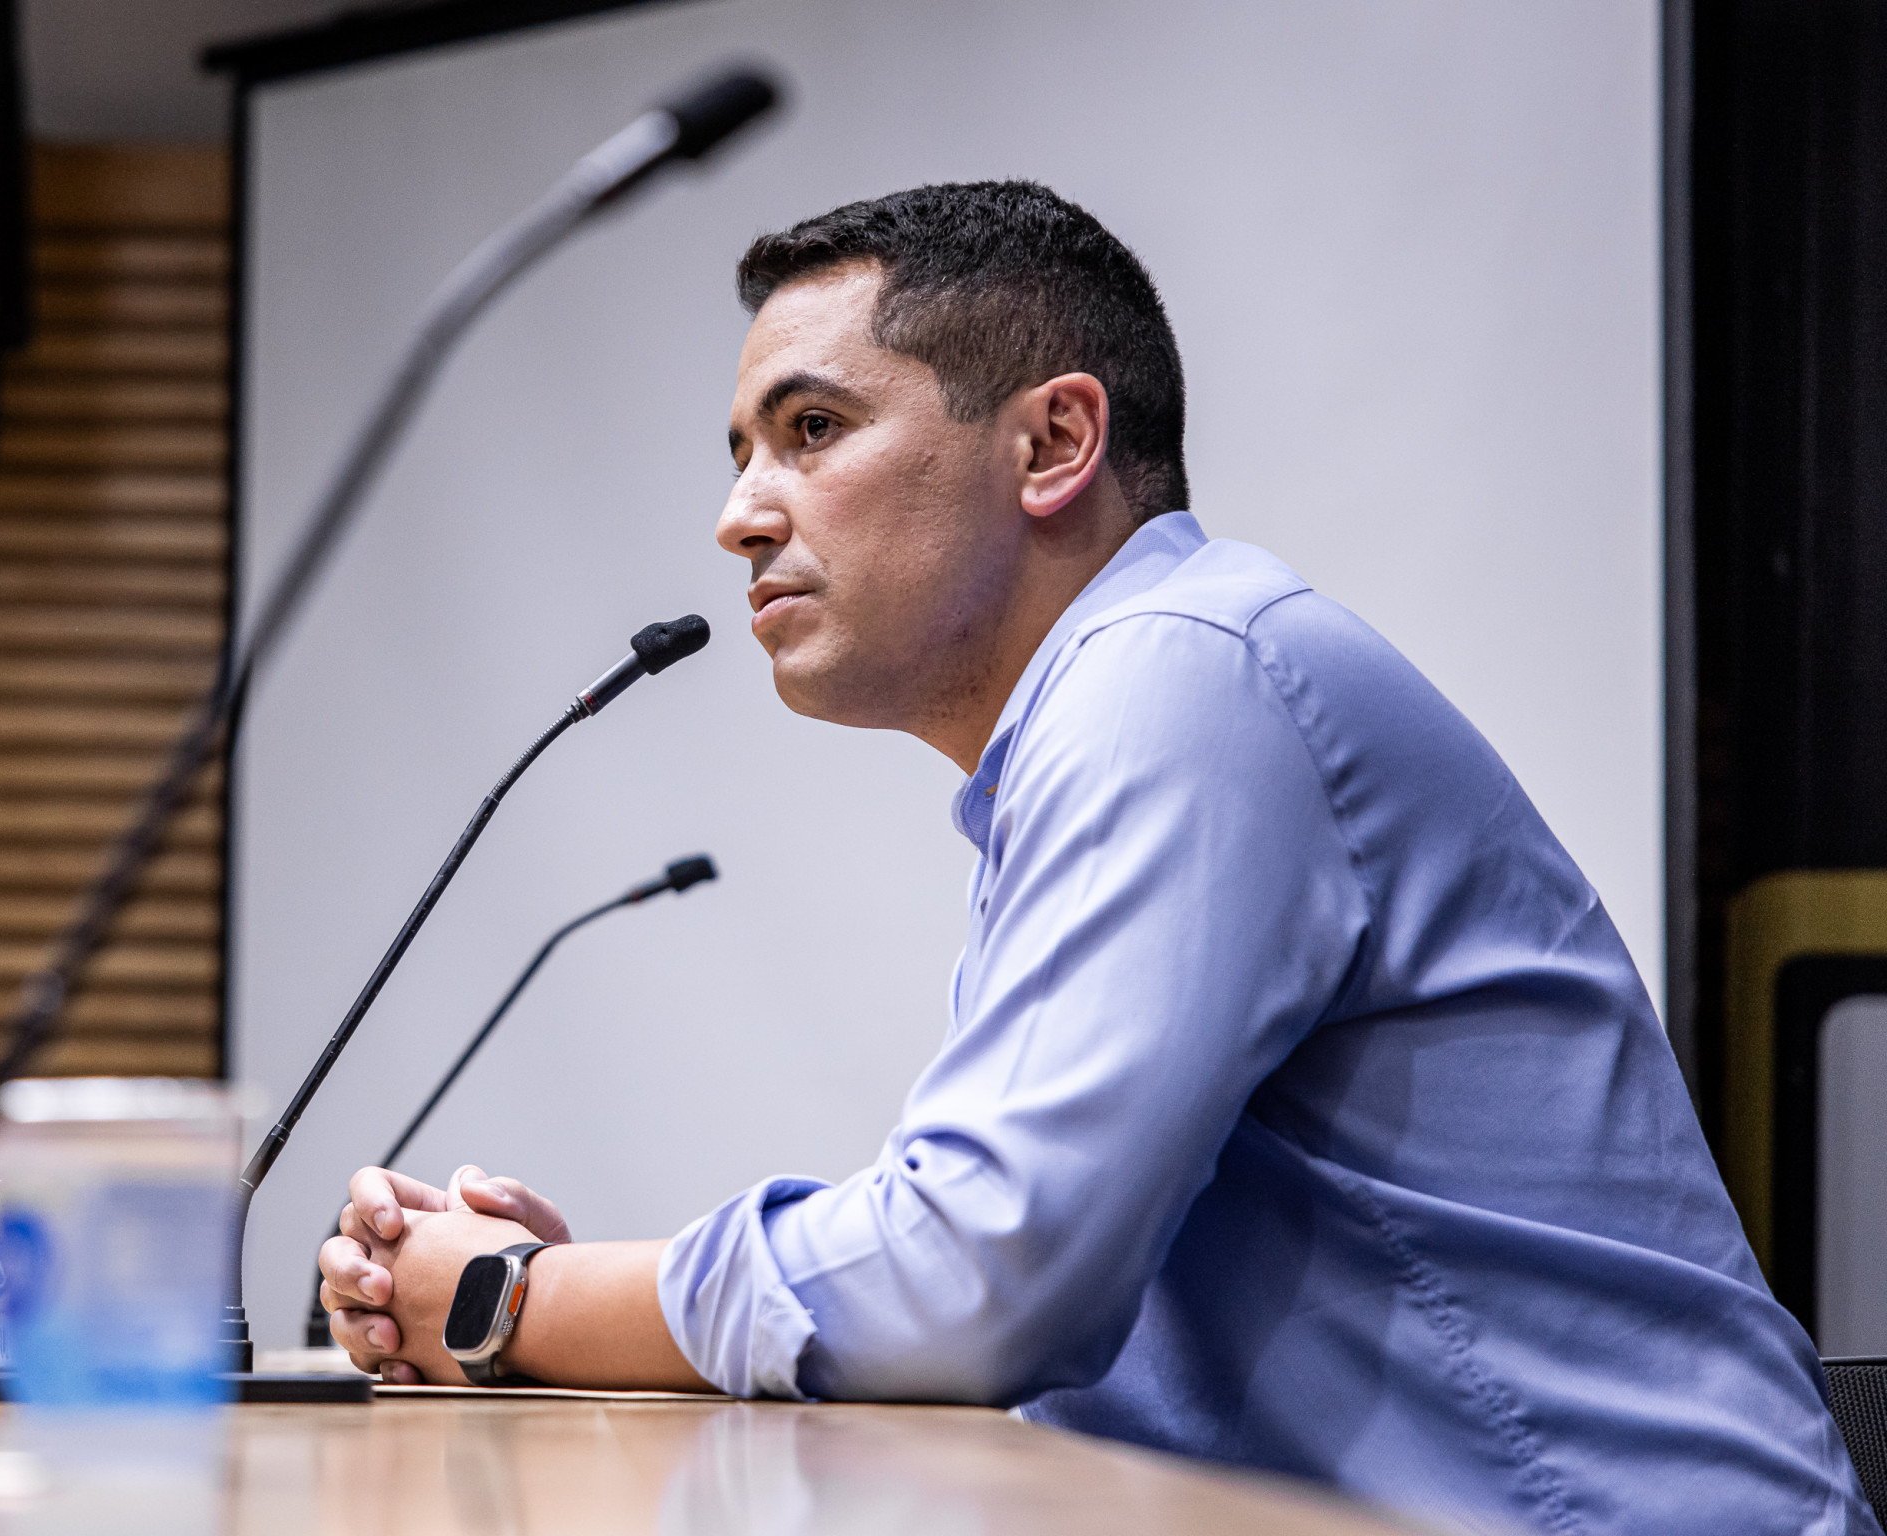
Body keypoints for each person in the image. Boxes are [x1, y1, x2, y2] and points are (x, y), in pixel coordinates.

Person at [318, 182, 1875, 1534]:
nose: (739, 515)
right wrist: (573, 1310)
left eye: (812, 429)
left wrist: (513, 1301)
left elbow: (982, 1278)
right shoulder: (1110, 718)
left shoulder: (1186, 674)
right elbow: (991, 1274)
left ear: (1055, 440)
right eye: (740, 451)